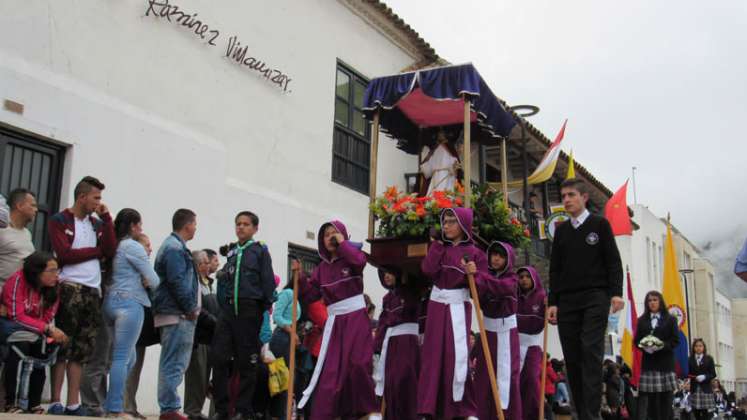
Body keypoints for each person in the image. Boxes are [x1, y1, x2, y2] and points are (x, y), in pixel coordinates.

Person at [548, 178, 624, 420]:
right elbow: (555, 270)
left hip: (595, 297)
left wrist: (616, 292)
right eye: (564, 196)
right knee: (572, 358)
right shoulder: (561, 231)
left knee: (590, 354)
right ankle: (580, 413)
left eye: (571, 195)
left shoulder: (599, 225)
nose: (567, 200)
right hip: (568, 301)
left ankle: (591, 415)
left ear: (584, 197)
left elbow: (613, 261)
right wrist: (553, 302)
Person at [47, 176, 116, 416]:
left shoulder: (97, 223)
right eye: (96, 197)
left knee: (81, 349)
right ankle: (55, 399)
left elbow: (110, 249)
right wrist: (97, 252)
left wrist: (107, 220)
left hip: (93, 290)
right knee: (63, 344)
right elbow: (64, 254)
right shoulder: (59, 220)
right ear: (82, 197)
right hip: (69, 286)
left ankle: (73, 402)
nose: (99, 202)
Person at [297, 220, 378, 420]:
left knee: (358, 365)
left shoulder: (352, 258)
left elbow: (360, 262)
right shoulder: (322, 269)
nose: (331, 237)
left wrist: (344, 245)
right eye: (326, 234)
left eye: (335, 232)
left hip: (356, 319)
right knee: (331, 374)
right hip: (334, 324)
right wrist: (299, 279)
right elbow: (311, 295)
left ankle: (367, 411)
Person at [419, 208, 485, 419]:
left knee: (456, 355)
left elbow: (482, 286)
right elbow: (428, 270)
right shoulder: (440, 248)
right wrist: (436, 245)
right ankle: (428, 408)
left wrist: (475, 274)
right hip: (437, 305)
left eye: (451, 222)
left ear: (463, 224)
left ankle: (460, 408)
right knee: (432, 355)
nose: (445, 226)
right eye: (444, 222)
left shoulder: (475, 253)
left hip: (457, 306)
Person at [211, 211, 276, 420]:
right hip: (228, 311)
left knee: (247, 362)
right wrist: (223, 305)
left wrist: (261, 309)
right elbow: (224, 280)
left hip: (249, 311)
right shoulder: (231, 252)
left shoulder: (260, 251)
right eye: (238, 224)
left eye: (246, 224)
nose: (241, 227)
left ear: (255, 228)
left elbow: (267, 282)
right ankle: (221, 410)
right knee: (219, 358)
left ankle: (242, 409)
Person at [103, 209, 160, 418]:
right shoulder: (133, 246)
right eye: (140, 225)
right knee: (122, 357)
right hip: (130, 302)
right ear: (134, 225)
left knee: (130, 357)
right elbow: (154, 280)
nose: (141, 229)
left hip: (109, 302)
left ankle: (112, 404)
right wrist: (149, 282)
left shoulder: (113, 244)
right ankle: (115, 409)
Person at [0, 252, 67, 414]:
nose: (55, 275)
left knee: (44, 348)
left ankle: (34, 402)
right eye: (51, 271)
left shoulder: (54, 287)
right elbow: (16, 315)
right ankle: (11, 402)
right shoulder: (17, 280)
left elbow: (48, 316)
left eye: (57, 270)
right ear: (37, 272)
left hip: (35, 329)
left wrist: (46, 330)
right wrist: (46, 328)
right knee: (20, 347)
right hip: (12, 326)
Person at [153, 209, 200, 420]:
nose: (196, 228)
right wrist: (190, 307)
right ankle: (170, 408)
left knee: (174, 361)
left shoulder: (175, 247)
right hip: (177, 314)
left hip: (177, 313)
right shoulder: (174, 248)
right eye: (195, 224)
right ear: (187, 224)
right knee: (174, 362)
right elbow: (177, 281)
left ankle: (170, 407)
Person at [472, 241, 521, 420]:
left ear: (508, 259)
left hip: (506, 333)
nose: (496, 258)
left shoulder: (512, 278)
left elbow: (502, 288)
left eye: (500, 256)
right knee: (484, 375)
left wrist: (478, 276)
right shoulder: (485, 277)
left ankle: (508, 415)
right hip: (488, 331)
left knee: (507, 376)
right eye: (493, 255)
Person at [373, 267, 420, 420]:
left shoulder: (412, 291)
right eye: (384, 273)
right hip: (391, 344)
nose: (387, 276)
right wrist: (376, 347)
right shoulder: (387, 298)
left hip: (407, 344)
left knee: (404, 381)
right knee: (391, 384)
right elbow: (383, 323)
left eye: (390, 271)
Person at [124, 233, 158, 420]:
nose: (150, 249)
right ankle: (123, 406)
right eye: (147, 245)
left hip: (142, 327)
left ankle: (130, 405)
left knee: (136, 367)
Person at [634, 290, 679, 420]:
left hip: (665, 364)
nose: (652, 303)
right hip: (649, 364)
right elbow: (637, 341)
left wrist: (661, 346)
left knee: (666, 400)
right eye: (649, 300)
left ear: (660, 301)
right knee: (651, 401)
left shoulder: (670, 319)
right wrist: (645, 348)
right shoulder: (642, 320)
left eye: (655, 300)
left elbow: (675, 341)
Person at [185, 250, 219, 420]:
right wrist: (214, 320)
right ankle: (192, 411)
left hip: (210, 338)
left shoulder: (209, 283)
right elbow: (199, 309)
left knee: (204, 377)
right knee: (196, 377)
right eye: (206, 262)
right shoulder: (195, 282)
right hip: (198, 338)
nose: (210, 265)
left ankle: (196, 411)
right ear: (198, 265)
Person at [269, 268, 301, 419]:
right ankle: (278, 415)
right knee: (282, 380)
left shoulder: (298, 298)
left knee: (288, 381)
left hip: (288, 339)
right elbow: (277, 316)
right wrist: (291, 331)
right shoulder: (287, 293)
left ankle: (284, 414)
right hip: (281, 338)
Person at [517, 265, 547, 420]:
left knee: (531, 381)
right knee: (512, 382)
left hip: (532, 346)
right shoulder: (513, 295)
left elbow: (553, 318)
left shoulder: (542, 297)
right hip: (514, 345)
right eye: (521, 277)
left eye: (527, 276)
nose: (524, 280)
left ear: (534, 277)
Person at [0, 188, 37, 285]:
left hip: (18, 294)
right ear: (19, 206)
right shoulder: (2, 229)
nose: (36, 209)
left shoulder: (27, 233)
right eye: (32, 205)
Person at [420, 129, 461, 195]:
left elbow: (455, 162)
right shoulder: (435, 149)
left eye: (441, 134)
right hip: (438, 177)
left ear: (445, 135)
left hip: (445, 176)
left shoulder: (449, 148)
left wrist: (454, 167)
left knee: (444, 195)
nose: (440, 136)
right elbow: (430, 165)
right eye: (439, 135)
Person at [688, 338, 716, 420]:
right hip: (694, 388)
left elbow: (713, 374)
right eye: (696, 346)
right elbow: (687, 373)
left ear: (703, 347)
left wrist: (705, 377)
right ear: (693, 348)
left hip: (705, 389)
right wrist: (692, 377)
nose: (698, 348)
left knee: (705, 413)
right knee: (695, 412)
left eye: (700, 346)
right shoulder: (690, 359)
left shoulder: (709, 359)